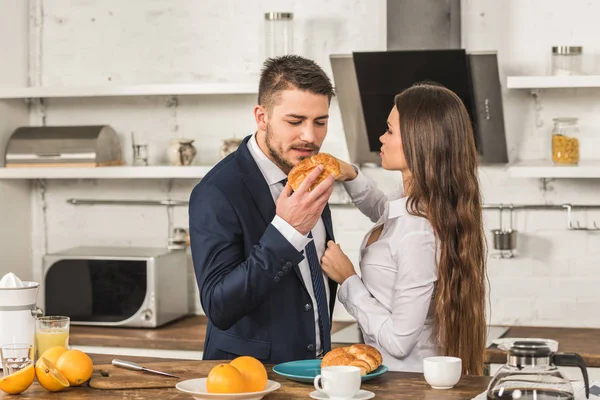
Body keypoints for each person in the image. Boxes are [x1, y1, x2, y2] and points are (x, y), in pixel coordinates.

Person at [321, 82, 487, 375]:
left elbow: (399, 342)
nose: (381, 138)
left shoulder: (418, 233)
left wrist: (348, 280)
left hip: (407, 383)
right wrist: (350, 174)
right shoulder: (415, 204)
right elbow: (383, 211)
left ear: (420, 142)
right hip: (393, 378)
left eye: (390, 130)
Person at [189, 55, 338, 364]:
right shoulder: (217, 191)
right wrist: (287, 231)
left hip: (316, 373)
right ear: (261, 117)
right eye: (295, 122)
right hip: (248, 379)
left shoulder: (309, 172)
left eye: (320, 122)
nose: (310, 137)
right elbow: (219, 306)